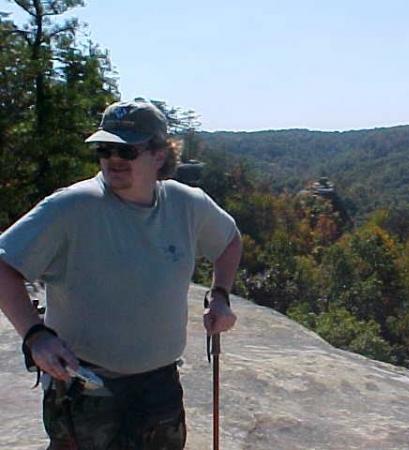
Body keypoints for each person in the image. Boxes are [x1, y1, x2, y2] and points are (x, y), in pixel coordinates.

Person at [0, 99, 242, 449]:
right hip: (85, 388)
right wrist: (35, 336)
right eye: (105, 148)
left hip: (159, 386)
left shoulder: (186, 204)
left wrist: (220, 295)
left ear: (159, 155)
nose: (114, 158)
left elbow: (229, 240)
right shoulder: (71, 207)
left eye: (127, 150)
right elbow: (4, 264)